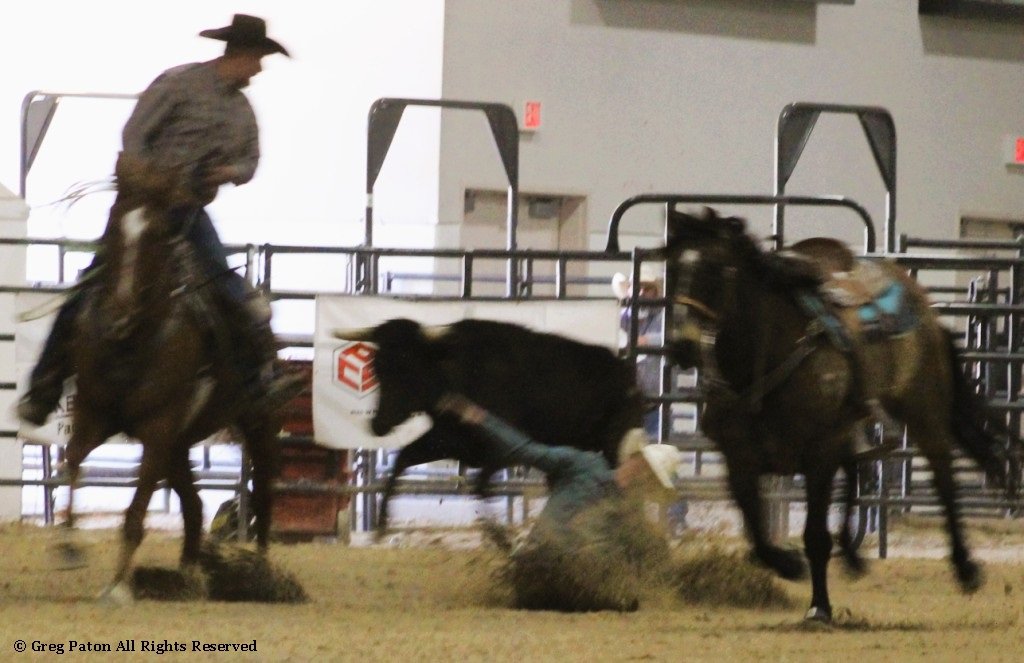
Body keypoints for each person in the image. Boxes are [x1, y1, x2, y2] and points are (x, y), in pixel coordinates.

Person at [17, 14, 294, 427]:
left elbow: (249, 164)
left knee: (227, 287)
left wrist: (227, 172)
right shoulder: (179, 83)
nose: (258, 68)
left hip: (188, 211)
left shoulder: (241, 111)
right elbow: (135, 135)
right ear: (241, 54)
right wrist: (148, 180)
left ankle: (259, 380)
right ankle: (45, 386)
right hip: (144, 206)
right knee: (94, 282)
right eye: (257, 59)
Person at [436, 393, 682, 611]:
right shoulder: (585, 467)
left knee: (616, 594)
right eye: (648, 471)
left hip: (551, 572)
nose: (643, 478)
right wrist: (480, 418)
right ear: (636, 459)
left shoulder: (628, 514)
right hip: (548, 569)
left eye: (651, 478)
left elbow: (657, 568)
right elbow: (524, 450)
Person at [612, 265, 665, 437]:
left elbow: (670, 338)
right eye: (637, 287)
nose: (641, 293)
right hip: (624, 409)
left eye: (647, 288)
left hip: (654, 408)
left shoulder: (662, 318)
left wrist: (642, 340)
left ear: (655, 293)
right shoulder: (617, 319)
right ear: (628, 291)